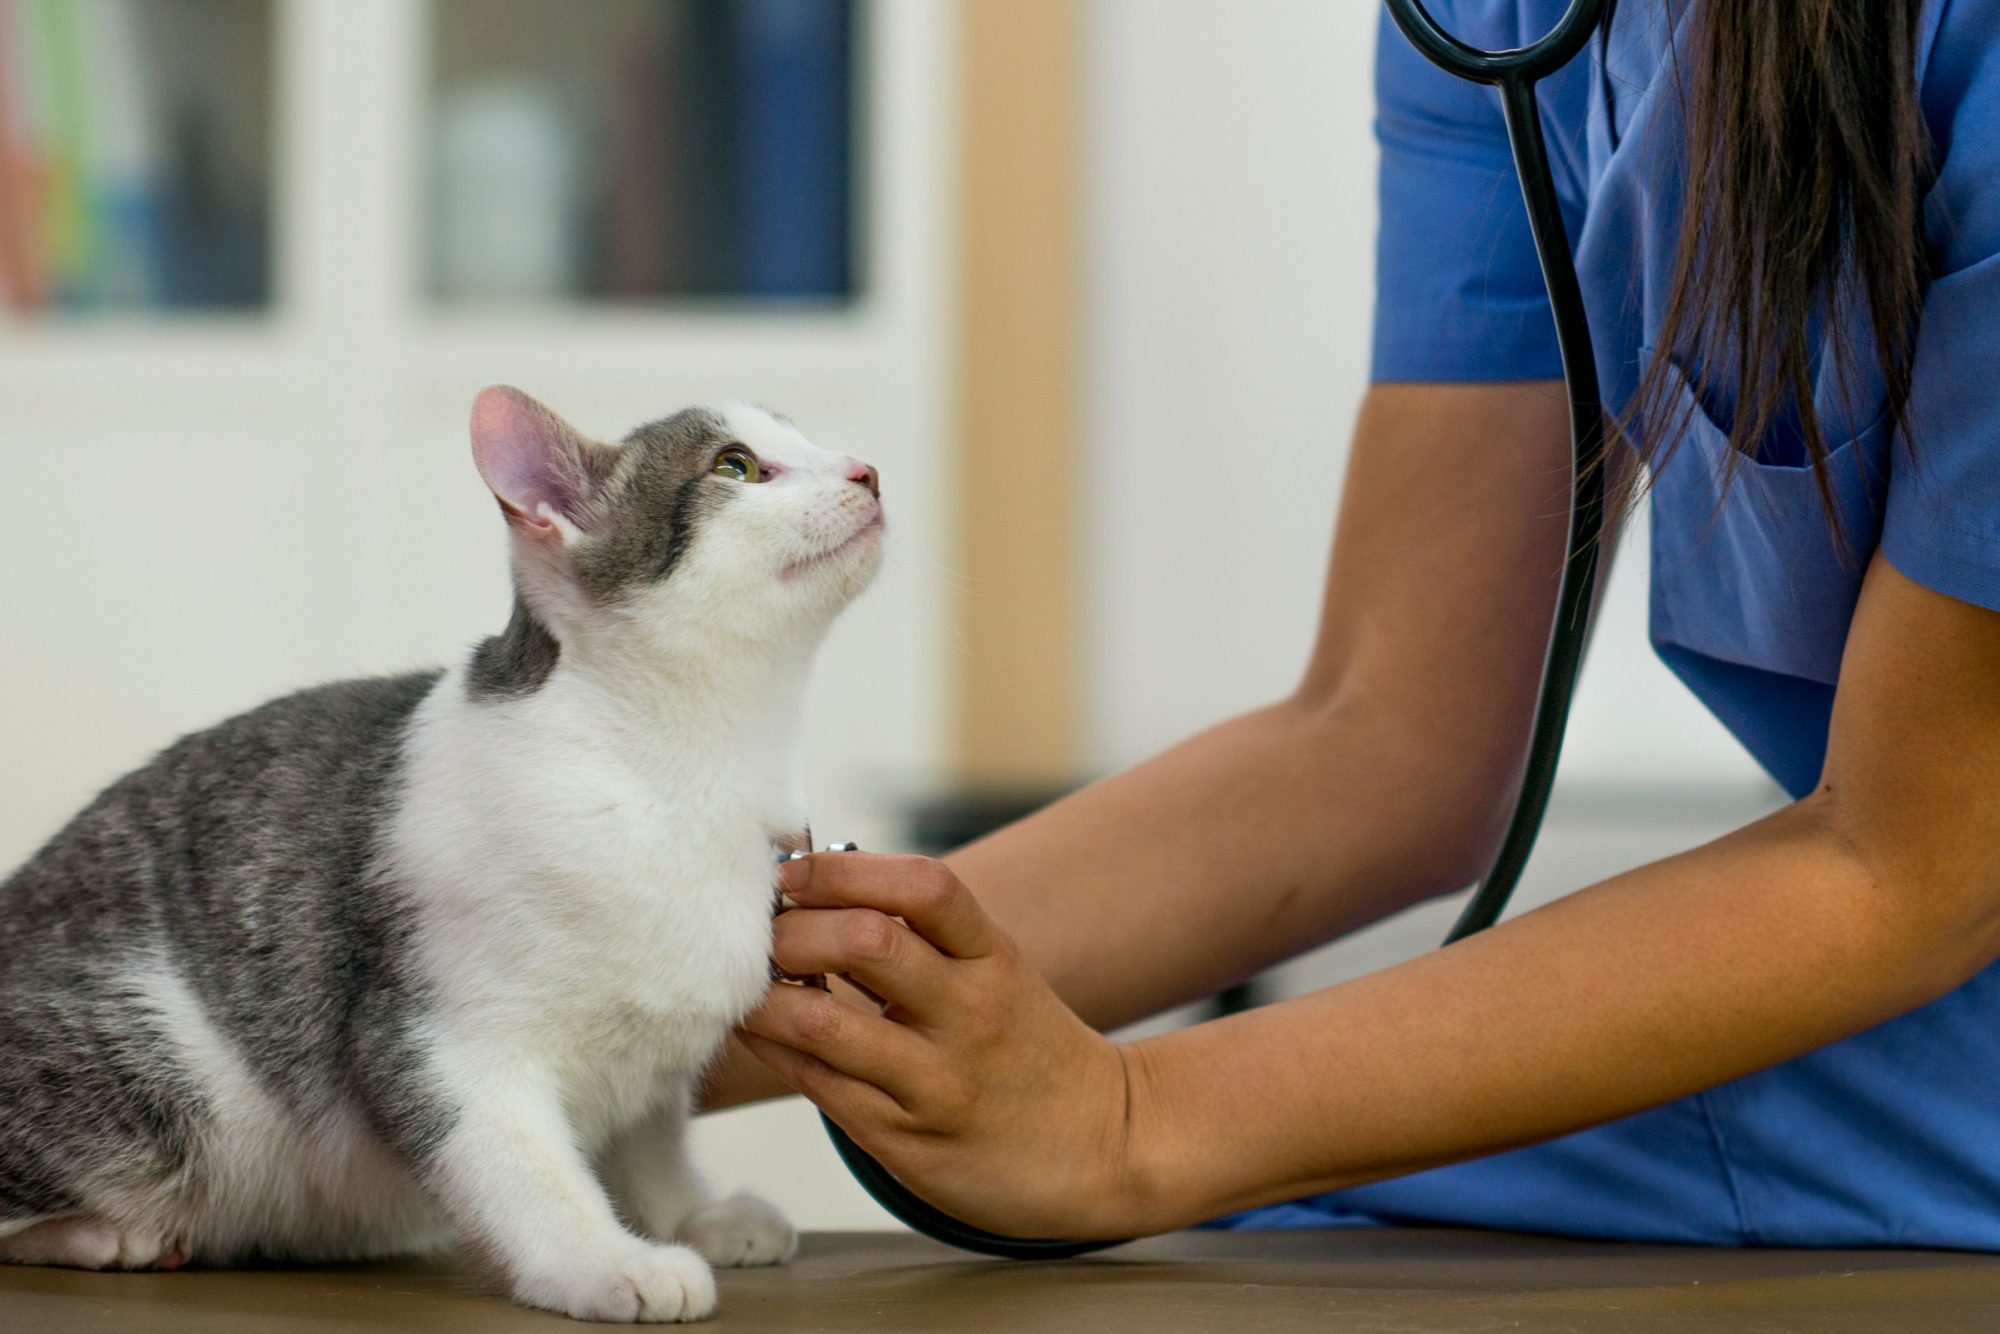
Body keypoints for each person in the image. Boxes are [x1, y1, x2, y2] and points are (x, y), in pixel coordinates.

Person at [712, 0, 2000, 1248]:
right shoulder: (1498, 25)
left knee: (1256, 1230)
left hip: (1939, 952)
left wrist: (1125, 1121)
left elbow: (1914, 868)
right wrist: (627, 1009)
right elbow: (1387, 743)